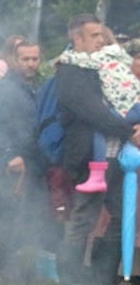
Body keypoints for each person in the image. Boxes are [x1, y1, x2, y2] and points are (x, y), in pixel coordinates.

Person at [54, 14, 140, 285]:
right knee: (84, 216)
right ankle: (71, 281)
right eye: (94, 36)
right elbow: (91, 111)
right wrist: (130, 131)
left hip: (118, 155)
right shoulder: (70, 71)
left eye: (101, 35)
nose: (101, 40)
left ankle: (103, 279)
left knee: (121, 213)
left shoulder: (107, 63)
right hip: (90, 155)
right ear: (77, 38)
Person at [0, 40, 56, 283]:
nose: (30, 64)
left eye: (34, 59)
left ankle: (25, 267)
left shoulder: (39, 87)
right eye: (25, 59)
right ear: (15, 60)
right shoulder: (6, 88)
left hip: (35, 160)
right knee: (10, 215)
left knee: (31, 216)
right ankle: (4, 268)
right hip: (13, 162)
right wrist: (9, 155)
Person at [56, 38, 140, 194]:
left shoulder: (102, 59)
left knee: (101, 124)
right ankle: (98, 174)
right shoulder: (117, 61)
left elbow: (77, 59)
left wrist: (62, 59)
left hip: (126, 115)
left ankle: (97, 173)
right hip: (121, 144)